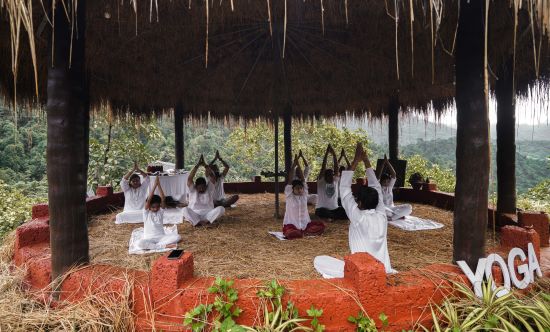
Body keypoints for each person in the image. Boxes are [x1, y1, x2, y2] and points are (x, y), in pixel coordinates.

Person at [340, 143, 393, 273]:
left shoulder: (358, 217)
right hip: (384, 270)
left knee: (321, 260)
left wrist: (356, 160)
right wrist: (366, 161)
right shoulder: (382, 216)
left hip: (363, 273)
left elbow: (344, 189)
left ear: (360, 203)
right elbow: (376, 187)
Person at [283, 155, 325, 239]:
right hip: (291, 225)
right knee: (291, 234)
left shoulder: (304, 195)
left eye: (301, 188)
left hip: (305, 225)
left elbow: (303, 180)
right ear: (292, 189)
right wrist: (294, 164)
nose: (299, 190)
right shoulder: (289, 196)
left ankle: (303, 232)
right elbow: (290, 180)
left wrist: (298, 164)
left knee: (321, 226)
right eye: (297, 188)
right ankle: (298, 232)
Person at [136, 177, 181, 250]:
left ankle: (155, 246)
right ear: (149, 207)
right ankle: (162, 246)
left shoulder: (160, 211)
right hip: (149, 238)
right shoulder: (146, 213)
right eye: (153, 207)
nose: (156, 209)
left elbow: (163, 198)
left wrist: (158, 185)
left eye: (157, 207)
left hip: (161, 237)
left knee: (178, 237)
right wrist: (154, 186)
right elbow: (148, 201)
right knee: (140, 243)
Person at [182, 155, 225, 226]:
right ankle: (200, 222)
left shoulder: (209, 189)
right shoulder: (192, 189)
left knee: (221, 209)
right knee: (184, 210)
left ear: (206, 186)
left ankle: (204, 222)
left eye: (203, 187)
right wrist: (197, 165)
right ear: (195, 186)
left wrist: (205, 165)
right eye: (199, 188)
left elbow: (212, 177)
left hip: (208, 214)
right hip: (194, 214)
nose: (201, 189)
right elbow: (190, 178)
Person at [315, 144, 347, 220]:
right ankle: (331, 217)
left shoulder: (335, 181)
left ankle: (331, 217)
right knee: (322, 211)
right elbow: (323, 167)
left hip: (334, 209)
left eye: (332, 174)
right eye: (329, 175)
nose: (332, 176)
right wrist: (326, 153)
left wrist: (334, 154)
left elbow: (336, 167)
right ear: (325, 176)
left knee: (346, 211)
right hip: (322, 209)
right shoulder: (321, 182)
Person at [377, 154, 412, 221]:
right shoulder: (378, 187)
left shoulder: (389, 188)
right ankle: (397, 216)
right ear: (381, 181)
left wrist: (387, 162)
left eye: (388, 181)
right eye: (384, 181)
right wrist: (383, 164)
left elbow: (394, 175)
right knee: (386, 212)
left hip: (392, 208)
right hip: (384, 209)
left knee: (409, 207)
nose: (386, 183)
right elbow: (378, 176)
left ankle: (393, 217)